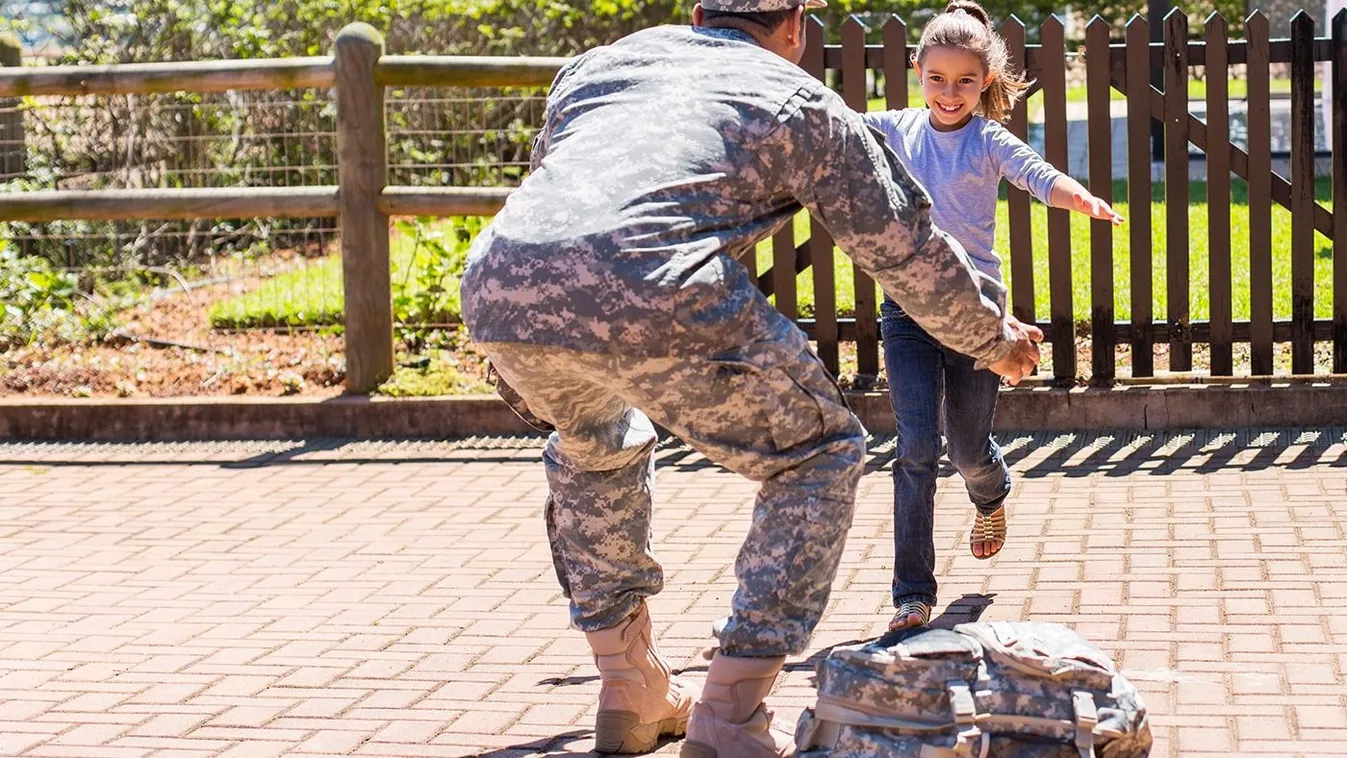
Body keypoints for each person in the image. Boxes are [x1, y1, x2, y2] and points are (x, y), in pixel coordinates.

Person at [459, 0, 1043, 754]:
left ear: (700, 14)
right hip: (657, 282)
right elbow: (901, 248)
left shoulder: (602, 64)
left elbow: (564, 194)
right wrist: (991, 340)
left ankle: (628, 687)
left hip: (503, 284)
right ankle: (728, 719)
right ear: (794, 26)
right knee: (818, 455)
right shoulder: (797, 99)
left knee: (594, 441)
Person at [861, 0, 1123, 633]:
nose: (951, 93)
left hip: (980, 319)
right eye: (938, 79)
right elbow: (824, 129)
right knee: (916, 449)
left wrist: (1082, 199)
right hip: (907, 311)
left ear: (986, 82)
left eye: (966, 80)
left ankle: (991, 491)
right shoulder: (893, 128)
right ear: (917, 72)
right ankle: (911, 594)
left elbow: (1037, 175)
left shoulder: (986, 140)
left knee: (967, 448)